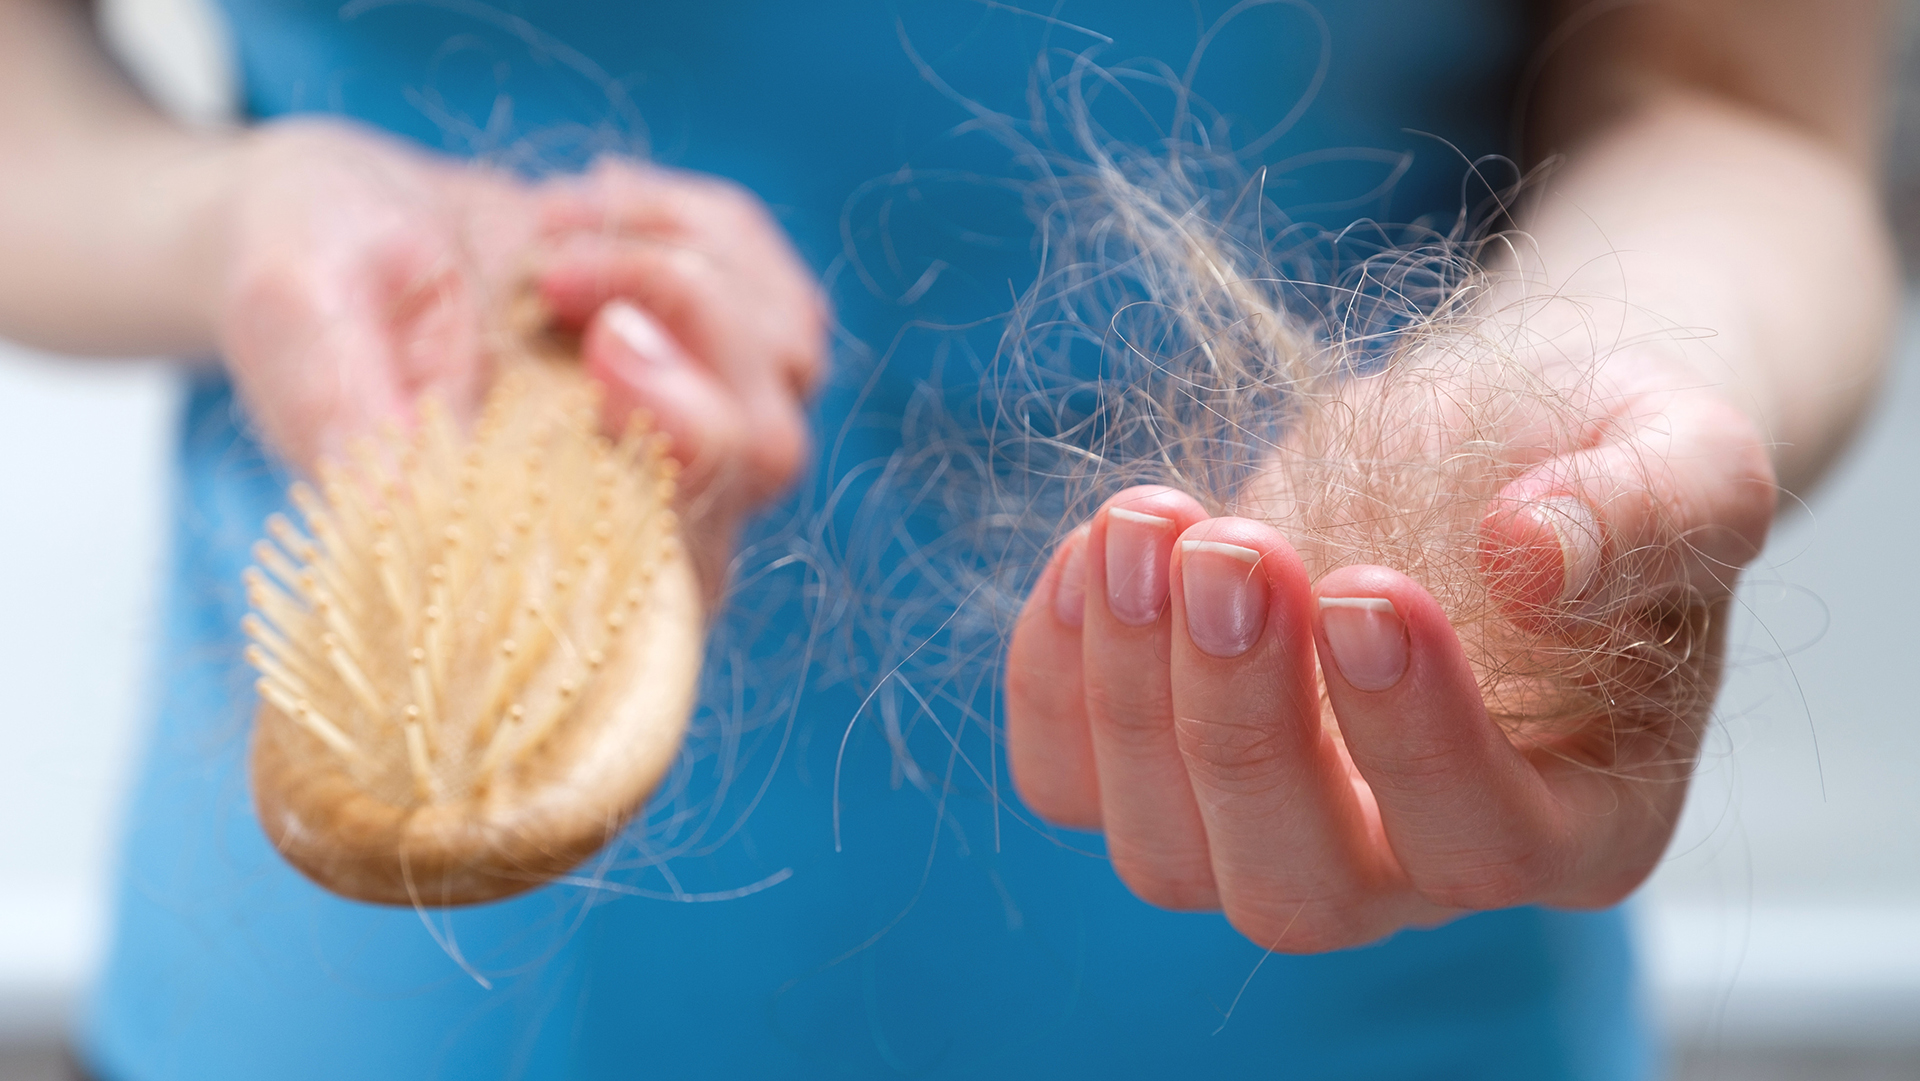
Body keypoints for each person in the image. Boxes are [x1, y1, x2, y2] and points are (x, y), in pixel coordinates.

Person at [0, 0, 1894, 1078]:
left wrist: (1606, 404)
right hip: (340, 1016)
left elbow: (1733, 103)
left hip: (1358, 962)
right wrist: (226, 218)